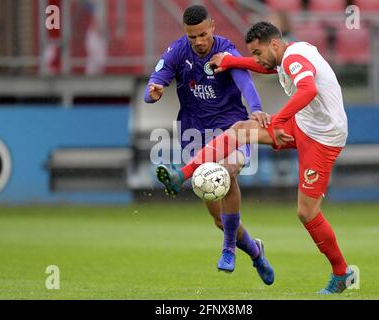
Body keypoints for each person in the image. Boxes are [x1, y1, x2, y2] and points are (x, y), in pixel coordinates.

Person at [157, 21, 356, 294]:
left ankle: (341, 272)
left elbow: (308, 90)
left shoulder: (296, 58)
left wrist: (278, 122)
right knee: (239, 131)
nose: (257, 58)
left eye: (258, 52)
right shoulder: (285, 56)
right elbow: (264, 66)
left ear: (274, 44)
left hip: (323, 138)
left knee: (306, 212)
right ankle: (183, 174)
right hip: (303, 124)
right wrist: (232, 61)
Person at [145, 6, 274, 285]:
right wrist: (152, 92)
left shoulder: (226, 52)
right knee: (219, 218)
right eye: (193, 37)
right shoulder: (179, 51)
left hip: (233, 128)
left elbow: (246, 84)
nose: (199, 41)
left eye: (203, 34)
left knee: (227, 172)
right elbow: (156, 81)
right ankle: (255, 252)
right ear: (186, 34)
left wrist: (256, 109)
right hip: (196, 135)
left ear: (213, 26)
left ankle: (228, 249)